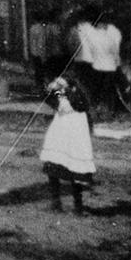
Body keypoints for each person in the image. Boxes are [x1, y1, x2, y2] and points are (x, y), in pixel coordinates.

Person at [39, 77, 96, 213]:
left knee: (76, 168)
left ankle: (78, 206)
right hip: (60, 131)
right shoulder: (59, 94)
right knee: (53, 164)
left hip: (75, 133)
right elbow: (50, 100)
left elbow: (81, 104)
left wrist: (66, 87)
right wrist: (50, 89)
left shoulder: (77, 92)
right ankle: (56, 202)